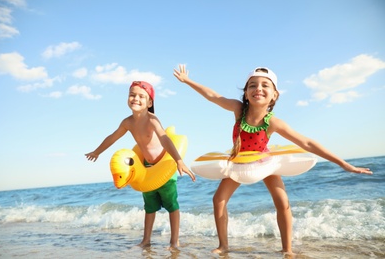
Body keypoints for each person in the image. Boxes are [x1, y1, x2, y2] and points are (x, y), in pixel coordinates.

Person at [173, 64, 372, 255]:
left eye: (265, 85)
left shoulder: (273, 122)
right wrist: (188, 80)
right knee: (218, 200)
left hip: (264, 162)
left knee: (282, 201)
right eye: (252, 85)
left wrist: (343, 163)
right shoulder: (238, 109)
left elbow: (307, 143)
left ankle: (287, 249)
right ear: (246, 93)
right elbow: (213, 96)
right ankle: (223, 246)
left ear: (274, 95)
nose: (258, 88)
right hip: (239, 161)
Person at [85, 81, 196, 250]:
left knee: (171, 204)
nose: (135, 98)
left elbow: (164, 138)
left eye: (141, 96)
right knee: (149, 206)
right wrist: (97, 151)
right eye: (132, 95)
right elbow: (113, 137)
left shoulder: (152, 120)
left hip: (163, 165)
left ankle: (174, 241)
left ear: (150, 102)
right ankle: (146, 240)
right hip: (146, 167)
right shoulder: (127, 122)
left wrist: (178, 160)